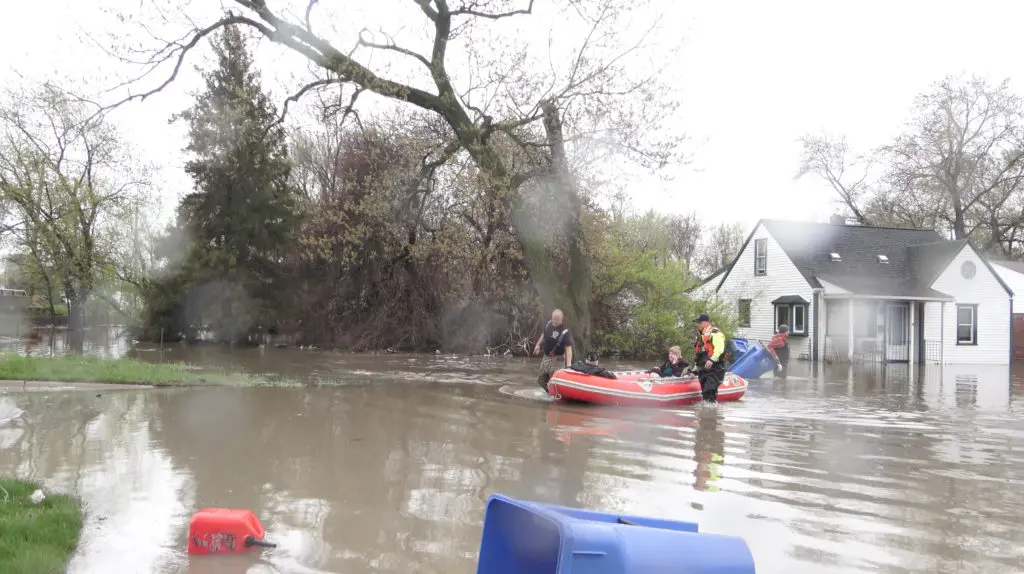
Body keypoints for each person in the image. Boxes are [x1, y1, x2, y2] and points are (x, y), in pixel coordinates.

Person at [533, 309, 574, 389]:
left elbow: (568, 350)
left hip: (558, 360)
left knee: (555, 382)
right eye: (554, 319)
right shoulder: (548, 324)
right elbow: (544, 335)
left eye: (557, 320)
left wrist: (569, 366)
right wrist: (538, 345)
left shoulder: (565, 331)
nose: (554, 321)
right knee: (541, 380)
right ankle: (549, 395)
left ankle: (557, 397)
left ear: (561, 319)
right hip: (546, 358)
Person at [692, 314, 726, 403]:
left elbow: (719, 348)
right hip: (703, 369)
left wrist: (712, 360)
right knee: (705, 393)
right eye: (697, 322)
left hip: (715, 367)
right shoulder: (700, 336)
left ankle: (711, 413)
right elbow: (699, 354)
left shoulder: (715, 333)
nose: (697, 324)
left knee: (709, 391)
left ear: (706, 322)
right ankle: (708, 413)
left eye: (699, 322)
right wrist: (696, 367)